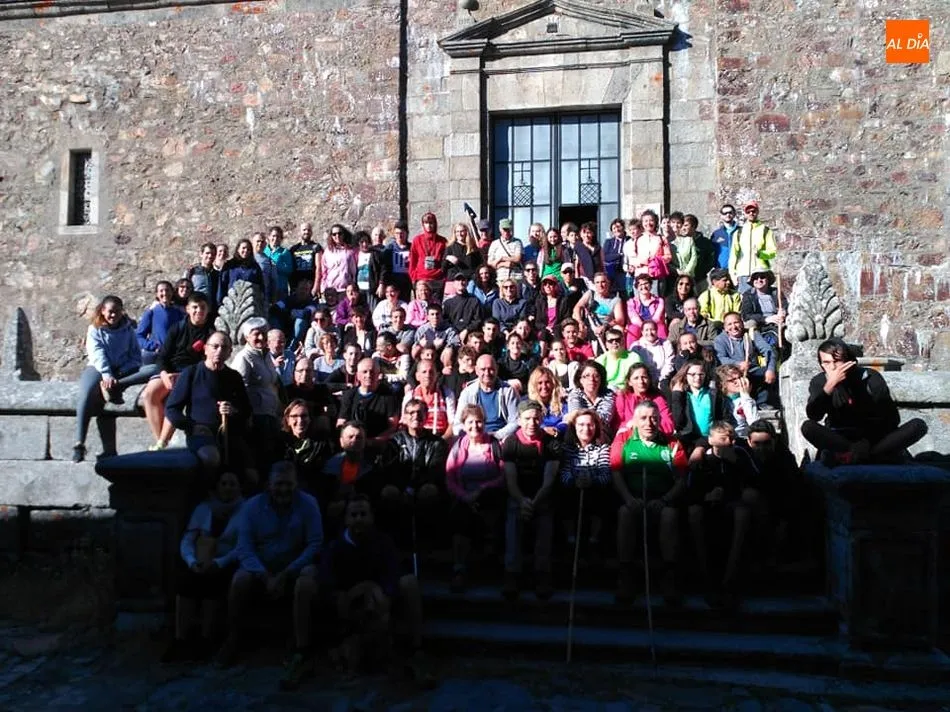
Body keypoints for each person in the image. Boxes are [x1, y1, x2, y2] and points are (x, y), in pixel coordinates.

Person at [217, 461, 322, 688]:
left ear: (296, 484)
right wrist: (264, 575)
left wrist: (286, 573)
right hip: (262, 567)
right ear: (268, 485)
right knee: (239, 580)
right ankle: (234, 637)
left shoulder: (308, 505)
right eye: (279, 484)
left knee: (307, 582)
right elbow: (244, 547)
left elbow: (314, 544)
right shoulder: (252, 507)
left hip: (295, 565)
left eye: (288, 484)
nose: (283, 490)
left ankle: (301, 646)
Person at [320, 494, 425, 674]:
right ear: (346, 519)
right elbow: (327, 578)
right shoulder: (335, 547)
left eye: (363, 514)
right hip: (349, 601)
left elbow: (393, 571)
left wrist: (383, 593)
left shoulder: (384, 542)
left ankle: (417, 648)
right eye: (354, 515)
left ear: (371, 517)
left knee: (409, 582)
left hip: (379, 600)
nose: (358, 519)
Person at [801, 338, 928, 465]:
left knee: (918, 425)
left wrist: (867, 441)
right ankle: (860, 455)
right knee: (808, 428)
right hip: (840, 438)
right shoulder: (819, 381)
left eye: (837, 361)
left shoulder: (870, 377)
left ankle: (857, 456)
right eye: (827, 363)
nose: (833, 367)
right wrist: (829, 386)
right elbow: (814, 415)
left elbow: (892, 419)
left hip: (874, 438)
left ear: (848, 361)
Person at [610, 401, 688, 604]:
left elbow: (681, 480)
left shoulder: (672, 442)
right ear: (634, 421)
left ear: (660, 420)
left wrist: (665, 500)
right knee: (625, 513)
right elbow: (616, 473)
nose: (649, 423)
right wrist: (628, 498)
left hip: (662, 498)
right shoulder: (623, 439)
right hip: (633, 497)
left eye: (654, 418)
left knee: (670, 515)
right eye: (643, 418)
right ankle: (625, 575)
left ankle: (669, 576)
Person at [164, 470, 244, 663]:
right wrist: (192, 561)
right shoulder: (204, 509)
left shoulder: (246, 510)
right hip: (201, 560)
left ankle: (206, 639)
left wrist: (219, 563)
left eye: (232, 484)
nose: (227, 488)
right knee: (185, 582)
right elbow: (189, 538)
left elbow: (244, 545)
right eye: (224, 483)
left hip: (228, 561)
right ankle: (180, 639)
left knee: (214, 583)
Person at [73, 295, 156, 462]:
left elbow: (135, 355)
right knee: (86, 392)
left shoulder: (128, 329)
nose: (113, 315)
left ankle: (116, 386)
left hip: (122, 371)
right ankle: (79, 442)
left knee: (154, 369)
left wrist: (121, 373)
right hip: (99, 369)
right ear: (103, 311)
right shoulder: (94, 329)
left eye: (117, 311)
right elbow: (97, 354)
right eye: (110, 312)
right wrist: (107, 374)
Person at [687, 421, 762, 606]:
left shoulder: (740, 454)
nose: (728, 442)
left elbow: (756, 480)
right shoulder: (703, 459)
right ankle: (707, 579)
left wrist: (736, 466)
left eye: (731, 438)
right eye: (723, 439)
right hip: (708, 506)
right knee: (695, 513)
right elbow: (690, 488)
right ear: (711, 440)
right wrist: (706, 496)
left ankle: (730, 579)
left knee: (742, 514)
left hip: (733, 504)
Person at [165, 331, 253, 474]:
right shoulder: (191, 373)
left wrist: (233, 411)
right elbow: (172, 409)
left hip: (230, 435)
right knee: (211, 458)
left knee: (251, 473)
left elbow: (246, 410)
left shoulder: (234, 377)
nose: (219, 351)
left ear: (230, 352)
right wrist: (192, 426)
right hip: (201, 436)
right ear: (206, 349)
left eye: (224, 348)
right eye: (215, 346)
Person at [501, 400, 561, 600]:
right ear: (519, 420)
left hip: (542, 496)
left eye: (536, 418)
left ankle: (542, 573)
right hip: (518, 496)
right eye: (527, 418)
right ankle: (512, 573)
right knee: (513, 519)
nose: (532, 423)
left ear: (542, 419)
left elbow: (549, 479)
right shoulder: (511, 443)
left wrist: (533, 502)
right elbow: (510, 480)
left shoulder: (551, 443)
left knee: (545, 521)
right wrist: (522, 501)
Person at [142, 293, 215, 451]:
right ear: (188, 309)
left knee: (174, 398)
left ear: (207, 310)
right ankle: (159, 441)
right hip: (169, 371)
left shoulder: (210, 334)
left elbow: (206, 362)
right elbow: (163, 356)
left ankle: (162, 443)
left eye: (202, 307)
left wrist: (182, 376)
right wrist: (164, 374)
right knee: (149, 395)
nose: (198, 311)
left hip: (191, 374)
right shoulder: (177, 328)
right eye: (195, 307)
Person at [445, 404, 507, 592]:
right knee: (460, 518)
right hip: (465, 497)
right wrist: (465, 496)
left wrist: (481, 489)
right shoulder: (459, 446)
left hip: (489, 494)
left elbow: (504, 475)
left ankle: (492, 564)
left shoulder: (495, 445)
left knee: (490, 507)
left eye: (479, 421)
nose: (475, 426)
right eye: (470, 422)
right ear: (464, 425)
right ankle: (459, 570)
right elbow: (449, 477)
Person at [378, 400, 447, 538]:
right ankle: (392, 538)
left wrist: (414, 488)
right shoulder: (394, 442)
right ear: (405, 416)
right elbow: (391, 471)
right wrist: (406, 488)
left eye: (420, 412)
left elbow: (434, 471)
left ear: (426, 415)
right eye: (411, 413)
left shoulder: (437, 443)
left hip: (424, 487)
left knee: (430, 491)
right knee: (388, 492)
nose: (416, 416)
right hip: (400, 487)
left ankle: (427, 540)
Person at [558, 408, 612, 560]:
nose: (586, 429)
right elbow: (564, 472)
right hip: (574, 489)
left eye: (590, 425)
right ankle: (570, 540)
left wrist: (591, 480)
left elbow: (605, 474)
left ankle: (593, 541)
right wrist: (574, 481)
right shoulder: (568, 449)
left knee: (601, 495)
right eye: (581, 425)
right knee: (565, 494)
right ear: (574, 427)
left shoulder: (603, 448)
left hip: (594, 489)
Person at [232, 318, 283, 465]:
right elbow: (240, 387)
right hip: (256, 415)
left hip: (270, 412)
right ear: (247, 337)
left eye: (264, 333)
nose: (261, 337)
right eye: (256, 334)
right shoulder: (244, 358)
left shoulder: (266, 355)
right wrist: (247, 414)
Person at [713, 311, 777, 405]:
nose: (733, 327)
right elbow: (720, 358)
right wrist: (738, 364)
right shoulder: (720, 340)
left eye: (736, 322)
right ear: (725, 328)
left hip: (752, 370)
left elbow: (769, 351)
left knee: (765, 374)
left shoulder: (751, 334)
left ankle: (761, 403)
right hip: (731, 372)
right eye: (729, 324)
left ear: (742, 323)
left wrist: (770, 369)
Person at [454, 354, 520, 440]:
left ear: (497, 369)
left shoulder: (508, 391)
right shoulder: (467, 393)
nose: (487, 373)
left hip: (501, 439)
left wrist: (496, 436)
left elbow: (515, 422)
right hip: (473, 439)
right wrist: (473, 436)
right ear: (476, 370)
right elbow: (458, 424)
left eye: (491, 369)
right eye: (483, 369)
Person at [280, 399, 335, 495]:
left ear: (310, 419)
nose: (300, 420)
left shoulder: (321, 444)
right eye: (294, 416)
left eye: (304, 416)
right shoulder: (280, 443)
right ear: (287, 420)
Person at [337, 358, 400, 440]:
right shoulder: (349, 395)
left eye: (372, 372)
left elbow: (392, 427)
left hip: (378, 443)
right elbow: (341, 422)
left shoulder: (389, 396)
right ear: (358, 375)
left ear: (378, 375)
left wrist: (373, 442)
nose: (369, 375)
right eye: (364, 372)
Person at [611, 363, 675, 436]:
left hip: (654, 437)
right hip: (629, 438)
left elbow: (669, 424)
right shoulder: (623, 398)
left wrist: (645, 428)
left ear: (649, 380)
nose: (641, 381)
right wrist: (630, 425)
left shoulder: (658, 398)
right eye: (636, 378)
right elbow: (616, 424)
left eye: (644, 377)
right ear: (629, 382)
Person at [729, 201, 777, 294]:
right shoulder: (739, 232)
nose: (751, 213)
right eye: (748, 211)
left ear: (757, 212)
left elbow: (772, 253)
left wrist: (761, 254)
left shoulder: (765, 230)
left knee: (762, 301)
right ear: (745, 213)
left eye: (753, 211)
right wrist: (733, 275)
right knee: (746, 303)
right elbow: (733, 256)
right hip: (743, 274)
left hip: (760, 272)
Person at [402, 360, 456, 439]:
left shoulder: (447, 394)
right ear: (417, 376)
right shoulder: (410, 396)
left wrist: (441, 442)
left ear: (436, 375)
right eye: (424, 372)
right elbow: (404, 422)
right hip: (416, 440)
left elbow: (453, 423)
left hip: (441, 438)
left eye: (431, 372)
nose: (428, 375)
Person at [136, 281, 184, 366]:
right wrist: (154, 346)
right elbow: (139, 337)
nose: (164, 293)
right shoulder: (151, 312)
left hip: (175, 356)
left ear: (172, 292)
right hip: (156, 357)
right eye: (161, 291)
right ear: (157, 294)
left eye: (167, 290)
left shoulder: (179, 313)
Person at [573, 272, 625, 347]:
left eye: (603, 282)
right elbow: (577, 307)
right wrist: (580, 322)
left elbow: (620, 319)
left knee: (619, 329)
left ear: (608, 283)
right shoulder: (590, 294)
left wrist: (605, 326)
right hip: (590, 325)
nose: (600, 285)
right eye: (597, 282)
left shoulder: (616, 300)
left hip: (606, 327)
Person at [739, 269, 786, 347]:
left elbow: (784, 305)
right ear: (752, 281)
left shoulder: (776, 292)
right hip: (758, 323)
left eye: (762, 277)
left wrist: (783, 312)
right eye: (756, 278)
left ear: (768, 280)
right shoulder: (748, 295)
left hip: (777, 322)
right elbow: (746, 315)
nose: (759, 280)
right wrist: (765, 319)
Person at [566, 360, 615, 432]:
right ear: (580, 380)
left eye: (596, 376)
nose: (591, 379)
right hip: (580, 432)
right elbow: (575, 416)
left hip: (602, 433)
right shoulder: (575, 394)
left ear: (601, 379)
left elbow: (604, 419)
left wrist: (582, 415)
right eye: (587, 376)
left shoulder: (608, 394)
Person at [217, 238, 264, 307]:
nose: (246, 251)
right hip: (231, 304)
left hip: (251, 304)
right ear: (238, 249)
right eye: (243, 248)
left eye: (248, 249)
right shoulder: (230, 265)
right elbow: (222, 284)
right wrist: (220, 302)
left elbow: (261, 286)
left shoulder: (255, 266)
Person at [409, 212, 448, 295]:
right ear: (423, 225)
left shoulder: (442, 241)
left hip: (437, 279)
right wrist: (413, 277)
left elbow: (445, 261)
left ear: (435, 224)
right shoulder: (417, 240)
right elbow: (413, 260)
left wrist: (442, 275)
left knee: (436, 306)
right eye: (426, 223)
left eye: (431, 223)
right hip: (421, 278)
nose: (429, 225)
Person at [716, 364, 759, 438]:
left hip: (742, 439)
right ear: (723, 384)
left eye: (739, 378)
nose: (738, 381)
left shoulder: (746, 400)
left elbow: (754, 423)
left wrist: (746, 395)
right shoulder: (719, 400)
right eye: (732, 380)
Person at [442, 271, 483, 344]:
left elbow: (477, 320)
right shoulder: (448, 303)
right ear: (454, 284)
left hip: (470, 334)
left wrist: (466, 330)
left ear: (467, 283)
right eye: (458, 280)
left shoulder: (474, 301)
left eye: (463, 280)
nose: (461, 282)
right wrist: (454, 333)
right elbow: (445, 321)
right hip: (452, 334)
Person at [595, 326, 641, 391]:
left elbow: (637, 380)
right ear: (606, 344)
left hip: (628, 391)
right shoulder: (600, 361)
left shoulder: (634, 357)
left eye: (618, 340)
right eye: (611, 341)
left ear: (623, 341)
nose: (614, 343)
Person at [634, 320, 675, 391]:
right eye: (646, 330)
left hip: (663, 379)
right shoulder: (636, 346)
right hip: (644, 379)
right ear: (642, 332)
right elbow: (636, 366)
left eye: (652, 330)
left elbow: (669, 363)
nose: (649, 333)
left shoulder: (666, 344)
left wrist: (661, 378)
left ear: (657, 330)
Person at [625, 274, 667, 342]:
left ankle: (664, 348)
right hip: (639, 326)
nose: (643, 286)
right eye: (640, 285)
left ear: (650, 285)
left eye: (646, 283)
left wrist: (649, 328)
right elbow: (634, 319)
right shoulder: (631, 302)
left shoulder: (659, 301)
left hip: (654, 324)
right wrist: (645, 328)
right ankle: (631, 351)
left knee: (660, 327)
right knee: (633, 328)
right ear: (637, 287)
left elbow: (657, 318)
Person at [379, 221, 413, 301]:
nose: (400, 236)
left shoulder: (411, 247)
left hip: (407, 281)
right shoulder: (389, 248)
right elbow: (384, 267)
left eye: (402, 233)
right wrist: (382, 282)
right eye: (397, 233)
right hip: (393, 281)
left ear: (406, 233)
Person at [443, 222, 482, 288]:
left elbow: (478, 267)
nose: (459, 234)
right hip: (453, 282)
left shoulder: (473, 248)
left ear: (466, 232)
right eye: (457, 232)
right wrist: (447, 259)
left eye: (462, 231)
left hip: (469, 283)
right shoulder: (450, 248)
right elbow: (443, 268)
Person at [289, 221, 324, 295]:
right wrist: (292, 286)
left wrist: (316, 286)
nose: (306, 232)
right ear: (300, 232)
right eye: (304, 230)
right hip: (297, 285)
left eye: (309, 230)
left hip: (311, 284)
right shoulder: (294, 249)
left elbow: (319, 267)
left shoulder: (316, 247)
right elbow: (291, 269)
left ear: (311, 232)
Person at [184, 242, 221, 312]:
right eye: (207, 253)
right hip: (195, 310)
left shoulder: (217, 274)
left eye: (213, 254)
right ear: (201, 254)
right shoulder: (192, 272)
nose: (210, 256)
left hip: (211, 311)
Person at [322, 224, 357, 295]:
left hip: (345, 290)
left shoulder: (350, 252)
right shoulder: (327, 252)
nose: (337, 236)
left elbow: (354, 271)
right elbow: (324, 271)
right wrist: (322, 287)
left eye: (339, 233)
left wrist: (353, 286)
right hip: (330, 289)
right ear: (331, 236)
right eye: (334, 234)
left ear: (343, 235)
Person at [487, 218, 524, 283]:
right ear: (500, 229)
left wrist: (502, 258)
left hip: (516, 277)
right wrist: (503, 264)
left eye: (508, 229)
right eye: (504, 229)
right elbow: (490, 262)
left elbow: (517, 258)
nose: (506, 232)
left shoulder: (517, 242)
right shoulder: (494, 244)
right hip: (501, 277)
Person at [251, 231, 279, 306]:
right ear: (252, 242)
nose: (260, 244)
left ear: (265, 244)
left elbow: (274, 283)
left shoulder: (269, 262)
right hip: (247, 299)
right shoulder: (245, 259)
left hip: (263, 300)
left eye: (262, 242)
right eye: (258, 241)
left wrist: (273, 301)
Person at [710, 204, 739, 272]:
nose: (728, 215)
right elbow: (712, 253)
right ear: (721, 216)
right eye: (725, 213)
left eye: (730, 212)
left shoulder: (742, 231)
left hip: (738, 270)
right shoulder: (716, 234)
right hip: (721, 270)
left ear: (734, 214)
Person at [603, 218, 627, 292]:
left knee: (625, 294)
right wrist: (619, 255)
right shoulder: (609, 242)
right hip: (611, 273)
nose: (617, 229)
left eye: (618, 227)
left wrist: (613, 256)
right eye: (614, 228)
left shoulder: (629, 240)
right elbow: (605, 257)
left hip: (624, 273)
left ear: (623, 227)